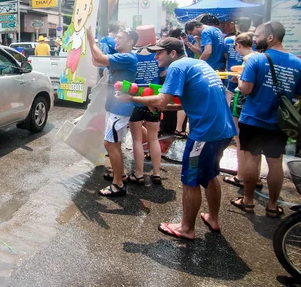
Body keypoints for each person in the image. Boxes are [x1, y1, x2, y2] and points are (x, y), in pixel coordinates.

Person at [117, 37, 236, 240]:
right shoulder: (199, 63)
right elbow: (185, 102)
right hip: (223, 130)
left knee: (191, 181)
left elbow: (162, 99)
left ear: (172, 53)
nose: (155, 57)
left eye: (159, 53)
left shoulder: (177, 67)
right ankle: (213, 219)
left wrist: (132, 98)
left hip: (205, 133)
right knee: (210, 174)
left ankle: (186, 228)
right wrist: (164, 105)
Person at [231, 21, 301, 218]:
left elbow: (246, 89)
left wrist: (240, 80)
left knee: (252, 159)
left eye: (258, 36)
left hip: (253, 118)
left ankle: (248, 201)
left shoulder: (256, 60)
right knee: (275, 163)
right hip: (278, 122)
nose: (254, 40)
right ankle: (271, 206)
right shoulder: (297, 63)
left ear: (271, 38)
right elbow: (298, 94)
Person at [85, 27, 139, 196]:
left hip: (119, 108)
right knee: (114, 143)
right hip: (114, 106)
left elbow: (99, 57)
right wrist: (90, 44)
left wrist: (91, 40)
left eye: (120, 38)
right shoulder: (122, 57)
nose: (116, 40)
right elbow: (97, 61)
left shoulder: (127, 57)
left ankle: (118, 184)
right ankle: (119, 175)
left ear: (130, 41)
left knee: (110, 144)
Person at [223, 32, 262, 190]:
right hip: (256, 104)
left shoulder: (248, 59)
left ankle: (241, 175)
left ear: (238, 45)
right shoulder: (261, 57)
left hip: (242, 100)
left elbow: (244, 85)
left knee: (240, 141)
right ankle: (256, 178)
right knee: (255, 146)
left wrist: (238, 77)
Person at [128, 46, 163, 185]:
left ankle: (139, 174)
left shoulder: (133, 56)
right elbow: (163, 75)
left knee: (136, 140)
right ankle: (157, 173)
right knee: (153, 139)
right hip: (154, 99)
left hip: (136, 101)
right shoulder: (157, 56)